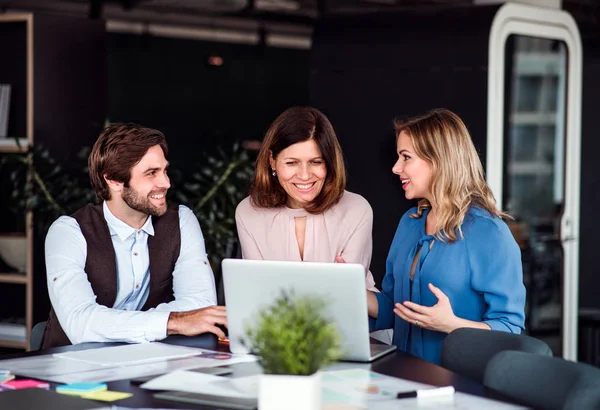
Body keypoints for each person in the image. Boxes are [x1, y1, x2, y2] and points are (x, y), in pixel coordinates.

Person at [41, 123, 227, 348]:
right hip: (75, 369)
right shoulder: (68, 232)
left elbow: (201, 306)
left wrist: (111, 325)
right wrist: (172, 321)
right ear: (113, 180)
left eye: (164, 170)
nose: (166, 183)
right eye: (151, 173)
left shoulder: (181, 221)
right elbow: (81, 323)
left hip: (148, 363)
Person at [366, 108, 526, 365]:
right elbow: (393, 308)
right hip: (403, 375)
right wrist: (350, 289)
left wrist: (451, 325)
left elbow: (509, 329)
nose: (396, 168)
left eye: (406, 157)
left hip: (458, 385)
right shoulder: (409, 223)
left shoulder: (489, 233)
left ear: (439, 160)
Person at [235, 106, 377, 292]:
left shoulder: (357, 210)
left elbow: (345, 294)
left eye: (316, 162)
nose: (304, 176)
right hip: (276, 320)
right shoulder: (248, 212)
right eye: (292, 163)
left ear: (330, 162)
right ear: (272, 161)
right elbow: (260, 293)